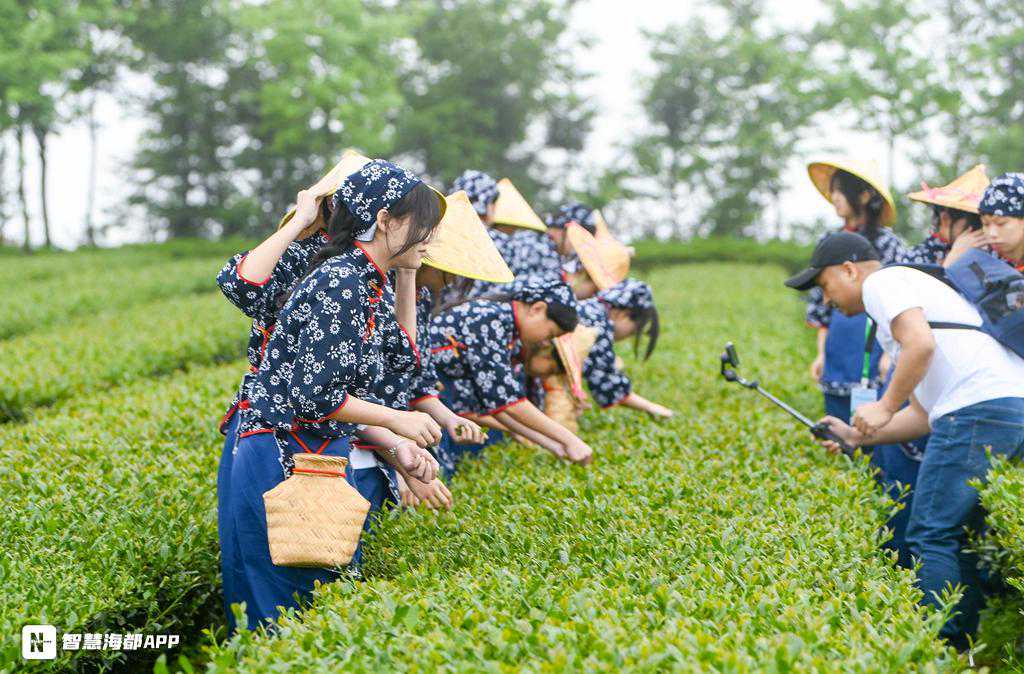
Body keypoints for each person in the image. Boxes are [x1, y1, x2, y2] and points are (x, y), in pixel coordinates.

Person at [220, 159, 447, 632]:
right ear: (385, 221)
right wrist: (397, 421)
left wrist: (408, 273)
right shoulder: (342, 281)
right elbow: (314, 396)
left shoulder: (367, 281)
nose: (430, 238)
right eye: (422, 225)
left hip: (313, 451)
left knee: (315, 596)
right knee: (286, 603)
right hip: (284, 452)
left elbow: (402, 357)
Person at [785, 231, 1024, 650]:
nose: (826, 299)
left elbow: (920, 344)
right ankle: (966, 645)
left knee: (930, 532)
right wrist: (856, 436)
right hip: (1005, 408)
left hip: (975, 410)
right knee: (958, 534)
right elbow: (921, 414)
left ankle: (940, 650)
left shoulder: (883, 282)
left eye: (825, 285)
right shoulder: (911, 294)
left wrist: (883, 405)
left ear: (849, 270)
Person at [428, 277, 595, 469]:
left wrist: (553, 445)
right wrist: (570, 440)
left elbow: (497, 407)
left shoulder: (505, 327)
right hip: (423, 392)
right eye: (550, 334)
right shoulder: (490, 319)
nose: (544, 342)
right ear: (537, 309)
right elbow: (509, 403)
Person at [803, 160, 908, 425]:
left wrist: (890, 356)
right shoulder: (828, 242)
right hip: (839, 343)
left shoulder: (888, 244)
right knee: (838, 424)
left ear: (863, 195)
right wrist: (822, 353)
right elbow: (822, 308)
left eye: (841, 190)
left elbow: (901, 303)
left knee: (873, 423)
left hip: (874, 343)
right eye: (833, 191)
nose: (835, 197)